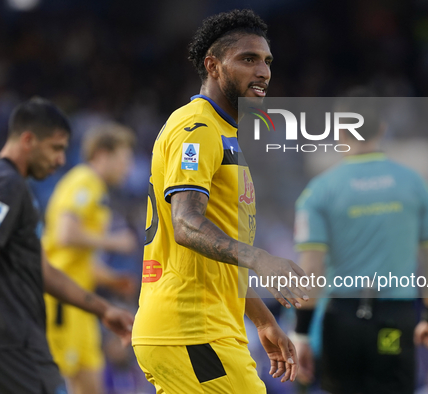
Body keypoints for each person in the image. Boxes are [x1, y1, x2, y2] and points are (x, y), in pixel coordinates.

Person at [131, 9, 310, 393]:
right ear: (213, 66)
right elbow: (186, 225)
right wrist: (261, 258)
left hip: (205, 328)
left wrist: (262, 320)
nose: (263, 71)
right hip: (191, 328)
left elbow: (216, 255)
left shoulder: (224, 134)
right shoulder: (196, 128)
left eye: (266, 61)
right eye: (248, 59)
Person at [0, 98, 134, 394]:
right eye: (55, 148)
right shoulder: (6, 184)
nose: (61, 160)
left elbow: (41, 268)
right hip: (12, 340)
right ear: (28, 140)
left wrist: (102, 308)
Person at [292, 110, 428, 394]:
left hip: (342, 319)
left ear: (339, 132)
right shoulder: (416, 185)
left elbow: (312, 270)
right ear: (382, 129)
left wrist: (301, 333)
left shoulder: (319, 191)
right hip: (393, 318)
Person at [42, 123, 138, 394]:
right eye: (123, 159)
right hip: (61, 300)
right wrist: (115, 242)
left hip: (82, 302)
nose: (127, 168)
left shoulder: (97, 189)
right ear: (102, 154)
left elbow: (79, 258)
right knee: (57, 381)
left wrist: (112, 279)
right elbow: (64, 234)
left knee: (91, 385)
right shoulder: (85, 181)